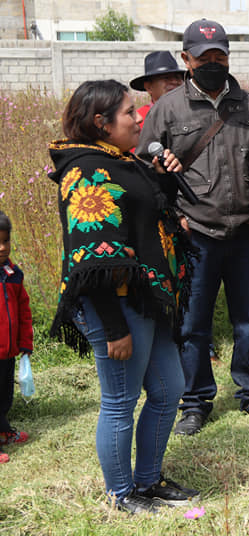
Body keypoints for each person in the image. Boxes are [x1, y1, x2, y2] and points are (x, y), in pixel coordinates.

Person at [48, 80, 196, 513]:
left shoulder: (123, 163)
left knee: (170, 390)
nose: (139, 119)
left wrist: (166, 179)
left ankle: (148, 481)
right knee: (120, 402)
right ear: (102, 122)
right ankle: (121, 493)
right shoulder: (85, 171)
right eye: (130, 112)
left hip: (148, 299)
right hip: (114, 306)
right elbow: (89, 258)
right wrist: (114, 329)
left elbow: (151, 220)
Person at [137, 19, 249, 436]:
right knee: (193, 323)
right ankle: (195, 401)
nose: (213, 63)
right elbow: (144, 174)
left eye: (219, 55)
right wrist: (172, 216)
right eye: (204, 57)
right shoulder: (168, 109)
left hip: (245, 234)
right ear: (186, 59)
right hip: (194, 233)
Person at [0, 210, 33, 464]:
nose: (2, 247)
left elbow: (23, 311)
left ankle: (4, 431)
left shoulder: (14, 274)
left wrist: (25, 343)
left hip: (8, 351)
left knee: (4, 395)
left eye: (6, 241)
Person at [129, 51, 186, 125]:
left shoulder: (193, 110)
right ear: (149, 87)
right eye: (167, 78)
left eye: (178, 77)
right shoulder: (139, 120)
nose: (175, 82)